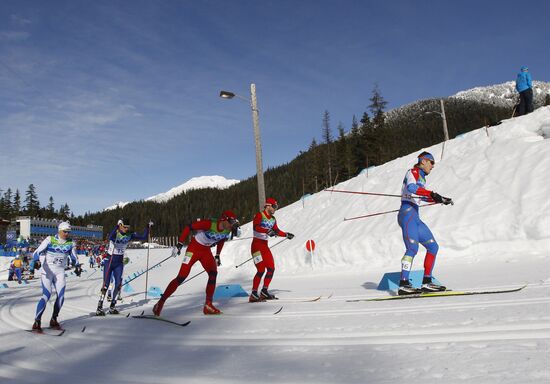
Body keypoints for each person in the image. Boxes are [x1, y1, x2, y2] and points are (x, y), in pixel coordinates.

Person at [153, 210, 240, 316]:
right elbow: (189, 227)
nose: (232, 225)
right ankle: (160, 303)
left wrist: (217, 255)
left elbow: (221, 241)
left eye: (233, 222)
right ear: (224, 219)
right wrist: (179, 244)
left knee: (213, 273)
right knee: (181, 277)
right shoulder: (209, 224)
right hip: (193, 249)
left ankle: (208, 305)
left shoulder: (227, 231)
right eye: (231, 222)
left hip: (205, 251)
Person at [397, 152, 453, 295]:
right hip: (407, 213)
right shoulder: (413, 172)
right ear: (423, 161)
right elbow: (411, 188)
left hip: (415, 216)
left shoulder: (422, 178)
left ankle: (427, 282)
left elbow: (421, 197)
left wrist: (439, 199)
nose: (433, 166)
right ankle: (403, 283)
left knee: (433, 247)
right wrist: (431, 194)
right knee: (412, 249)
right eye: (432, 162)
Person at [31, 222, 82, 331]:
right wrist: (36, 261)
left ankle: (54, 319)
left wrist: (77, 266)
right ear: (59, 230)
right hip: (47, 272)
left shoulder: (70, 243)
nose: (67, 234)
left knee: (61, 297)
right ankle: (37, 321)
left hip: (59, 272)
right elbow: (37, 252)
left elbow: (74, 257)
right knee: (46, 296)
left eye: (68, 232)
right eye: (65, 231)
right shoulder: (50, 239)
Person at [96, 218, 152, 315]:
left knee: (118, 285)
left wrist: (147, 227)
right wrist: (117, 226)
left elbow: (143, 237)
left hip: (119, 263)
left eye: (128, 227)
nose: (126, 229)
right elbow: (110, 237)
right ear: (121, 225)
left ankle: (112, 306)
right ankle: (99, 307)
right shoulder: (115, 233)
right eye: (124, 226)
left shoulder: (129, 235)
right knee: (106, 285)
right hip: (109, 261)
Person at [249, 198, 294, 302]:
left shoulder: (273, 219)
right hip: (256, 246)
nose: (275, 209)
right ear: (268, 206)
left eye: (276, 207)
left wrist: (286, 234)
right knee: (260, 270)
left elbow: (276, 231)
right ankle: (253, 294)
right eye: (274, 206)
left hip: (264, 246)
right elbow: (256, 227)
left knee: (271, 268)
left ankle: (264, 292)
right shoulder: (259, 215)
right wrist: (267, 231)